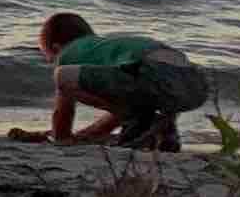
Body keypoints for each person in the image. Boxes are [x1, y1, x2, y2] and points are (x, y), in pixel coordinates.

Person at [39, 11, 210, 150]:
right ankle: (163, 132)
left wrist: (61, 137)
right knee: (136, 104)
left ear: (56, 48)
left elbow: (62, 111)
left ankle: (151, 125)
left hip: (154, 72)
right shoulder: (105, 48)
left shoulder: (68, 52)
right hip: (195, 83)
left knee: (62, 76)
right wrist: (88, 135)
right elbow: (119, 110)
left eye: (49, 58)